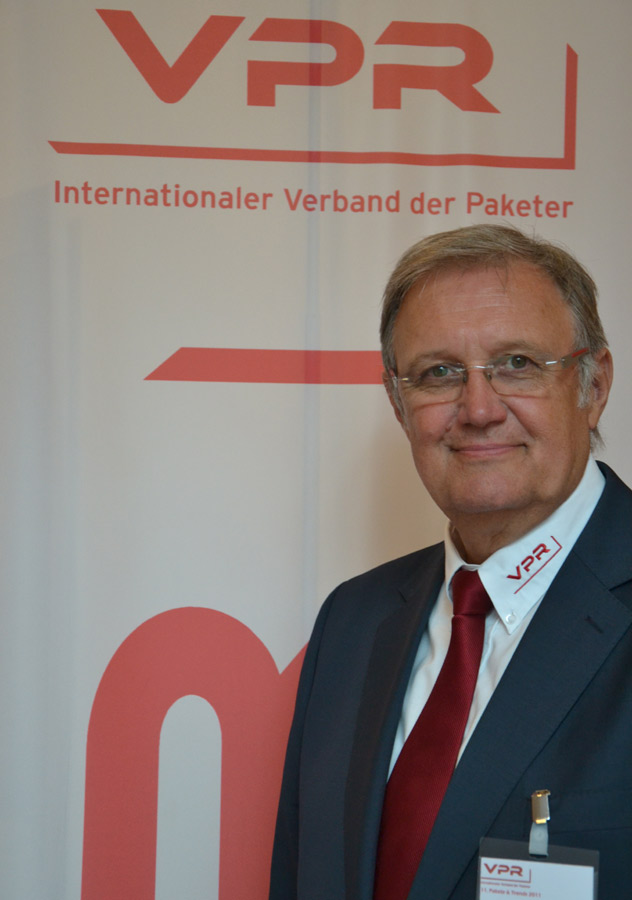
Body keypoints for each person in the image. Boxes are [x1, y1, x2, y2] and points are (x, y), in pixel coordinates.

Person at [269, 224, 632, 900]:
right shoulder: (351, 622)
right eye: (439, 373)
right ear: (398, 403)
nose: (478, 409)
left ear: (594, 385)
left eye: (517, 363)